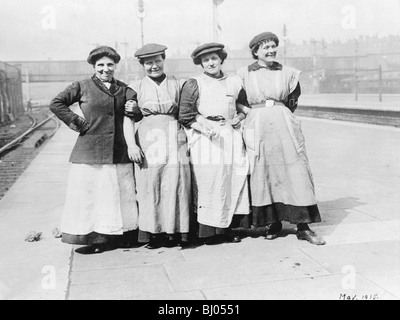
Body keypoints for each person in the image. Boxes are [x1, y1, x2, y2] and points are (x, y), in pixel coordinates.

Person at [237, 32, 325, 245]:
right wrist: (248, 112)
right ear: (255, 51)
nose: (270, 51)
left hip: (283, 125)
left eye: (273, 46)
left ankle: (303, 227)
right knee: (263, 171)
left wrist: (278, 111)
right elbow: (237, 101)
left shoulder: (289, 73)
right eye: (265, 47)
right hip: (257, 126)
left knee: (295, 170)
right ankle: (273, 222)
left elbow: (293, 99)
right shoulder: (242, 74)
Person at [49, 46, 139, 254]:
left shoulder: (125, 89)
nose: (105, 69)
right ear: (94, 66)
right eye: (101, 65)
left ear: (115, 66)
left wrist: (136, 110)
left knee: (119, 195)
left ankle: (122, 235)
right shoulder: (82, 86)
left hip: (119, 152)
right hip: (90, 151)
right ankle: (96, 238)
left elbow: (134, 115)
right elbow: (56, 103)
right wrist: (77, 122)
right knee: (93, 195)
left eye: (109, 65)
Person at [179, 43, 251, 245]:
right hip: (204, 137)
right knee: (210, 180)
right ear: (200, 63)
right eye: (205, 60)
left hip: (229, 134)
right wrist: (203, 127)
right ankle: (208, 230)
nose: (210, 63)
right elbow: (185, 115)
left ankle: (229, 228)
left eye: (214, 58)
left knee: (233, 178)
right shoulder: (194, 83)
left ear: (221, 59)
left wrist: (239, 116)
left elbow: (242, 106)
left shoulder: (235, 81)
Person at [123, 43, 191, 249]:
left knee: (176, 183)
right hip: (148, 139)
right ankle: (154, 234)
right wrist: (131, 146)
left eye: (157, 61)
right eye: (149, 63)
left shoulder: (178, 84)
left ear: (164, 60)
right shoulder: (135, 87)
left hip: (174, 137)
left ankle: (175, 233)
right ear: (143, 65)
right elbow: (128, 119)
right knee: (150, 184)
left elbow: (187, 113)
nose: (154, 66)